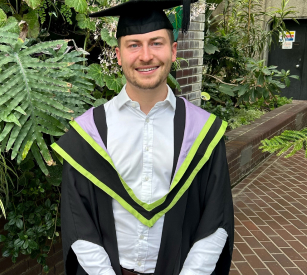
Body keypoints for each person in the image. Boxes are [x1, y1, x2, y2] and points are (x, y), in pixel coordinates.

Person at [51, 0, 234, 274]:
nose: (146, 56)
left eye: (156, 43)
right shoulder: (88, 133)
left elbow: (215, 218)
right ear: (118, 55)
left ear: (173, 51)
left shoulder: (203, 131)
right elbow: (79, 221)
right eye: (133, 45)